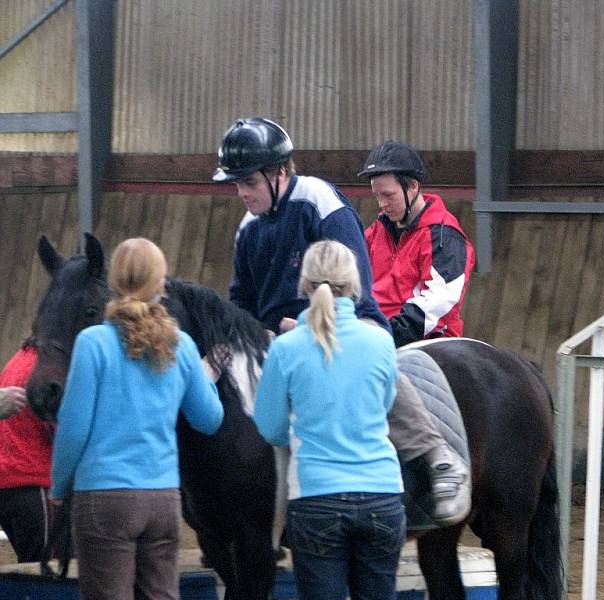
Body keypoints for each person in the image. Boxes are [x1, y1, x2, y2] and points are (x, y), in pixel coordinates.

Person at [213, 118, 471, 526]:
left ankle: (436, 454)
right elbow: (240, 299)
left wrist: (306, 326)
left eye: (250, 183)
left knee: (375, 355)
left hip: (349, 319)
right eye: (237, 184)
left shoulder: (319, 202)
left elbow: (354, 283)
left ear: (279, 173)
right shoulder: (247, 228)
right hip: (278, 337)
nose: (243, 192)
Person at [49, 238, 224, 600]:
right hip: (162, 498)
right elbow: (209, 419)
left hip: (104, 497)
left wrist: (59, 486)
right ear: (160, 284)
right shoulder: (181, 345)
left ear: (114, 282)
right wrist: (204, 378)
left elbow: (74, 428)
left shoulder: (93, 343)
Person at [253, 240, 405, 600]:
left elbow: (270, 428)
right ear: (354, 284)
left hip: (317, 498)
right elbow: (385, 404)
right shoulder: (381, 341)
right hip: (382, 494)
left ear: (304, 285)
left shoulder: (286, 348)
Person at [360, 140, 475, 346]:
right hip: (377, 334)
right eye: (377, 196)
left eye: (388, 195)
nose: (382, 204)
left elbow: (440, 300)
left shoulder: (444, 236)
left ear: (413, 186)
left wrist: (388, 333)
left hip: (426, 341)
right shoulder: (376, 231)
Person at [0, 333, 55, 564]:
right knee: (47, 571)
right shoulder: (45, 368)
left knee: (32, 568)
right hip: (34, 485)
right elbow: (59, 429)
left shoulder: (19, 358)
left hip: (10, 484)